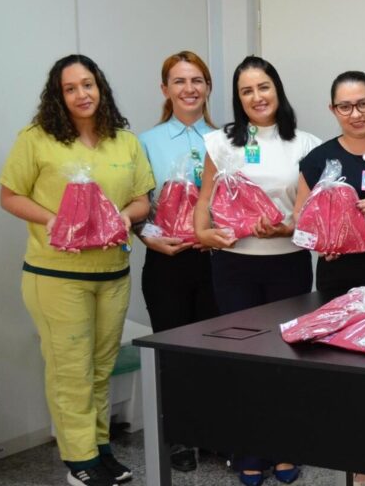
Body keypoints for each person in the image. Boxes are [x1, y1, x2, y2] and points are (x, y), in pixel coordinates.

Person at [0, 55, 153, 486]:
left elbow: (143, 198)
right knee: (71, 369)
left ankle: (101, 449)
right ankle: (79, 459)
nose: (82, 94)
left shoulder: (124, 141)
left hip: (112, 273)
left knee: (103, 366)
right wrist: (53, 220)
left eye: (88, 85)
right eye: (70, 88)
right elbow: (9, 195)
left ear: (100, 88)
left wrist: (126, 215)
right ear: (58, 96)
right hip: (57, 275)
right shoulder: (37, 139)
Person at [193, 56, 321, 486]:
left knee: (286, 358)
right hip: (233, 265)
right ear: (237, 98)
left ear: (277, 90)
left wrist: (290, 226)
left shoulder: (305, 144)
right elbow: (204, 199)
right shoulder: (221, 142)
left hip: (288, 261)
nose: (256, 97)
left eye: (263, 87)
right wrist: (202, 233)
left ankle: (285, 447)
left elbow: (308, 213)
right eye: (246, 91)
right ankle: (248, 448)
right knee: (243, 360)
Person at [134, 51, 218, 473]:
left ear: (208, 87)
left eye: (198, 80)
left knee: (214, 350)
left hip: (215, 260)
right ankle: (179, 436)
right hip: (166, 261)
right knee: (173, 349)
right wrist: (149, 239)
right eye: (180, 81)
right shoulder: (144, 143)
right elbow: (135, 205)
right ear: (165, 89)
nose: (190, 89)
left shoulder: (225, 139)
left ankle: (213, 432)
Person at [294, 70, 365, 297]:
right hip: (338, 278)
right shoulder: (318, 159)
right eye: (345, 107)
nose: (356, 114)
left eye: (364, 104)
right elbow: (301, 219)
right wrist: (321, 244)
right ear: (332, 109)